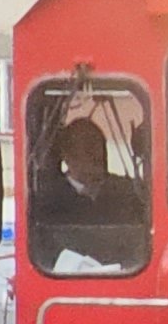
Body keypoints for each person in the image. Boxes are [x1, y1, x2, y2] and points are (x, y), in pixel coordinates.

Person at [29, 103, 147, 273]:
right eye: (88, 148)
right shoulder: (48, 200)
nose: (97, 155)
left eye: (100, 146)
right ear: (67, 155)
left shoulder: (128, 191)